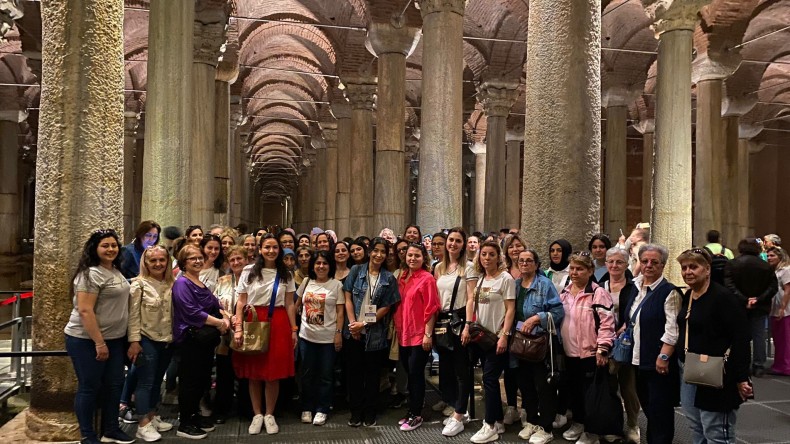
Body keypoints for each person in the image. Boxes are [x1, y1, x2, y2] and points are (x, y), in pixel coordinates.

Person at [64, 229, 135, 444]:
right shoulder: (89, 274)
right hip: (87, 340)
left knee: (114, 385)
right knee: (89, 386)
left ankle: (111, 428)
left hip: (114, 339)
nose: (111, 249)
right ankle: (87, 435)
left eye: (114, 245)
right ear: (95, 248)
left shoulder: (115, 270)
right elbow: (85, 310)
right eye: (105, 245)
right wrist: (99, 342)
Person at [676, 248, 752, 444]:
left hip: (719, 374)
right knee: (696, 427)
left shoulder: (724, 298)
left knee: (716, 432)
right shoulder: (689, 296)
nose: (688, 272)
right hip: (692, 370)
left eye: (694, 267)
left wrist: (742, 377)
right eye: (684, 268)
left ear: (707, 269)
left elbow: (741, 337)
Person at [232, 234, 297, 435]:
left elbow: (289, 303)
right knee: (254, 371)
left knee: (273, 372)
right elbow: (241, 301)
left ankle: (270, 414)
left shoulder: (286, 273)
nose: (271, 251)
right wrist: (239, 327)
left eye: (275, 247)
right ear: (260, 249)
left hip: (277, 321)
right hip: (252, 319)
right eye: (267, 247)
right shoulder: (249, 271)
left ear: (279, 249)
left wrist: (294, 329)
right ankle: (257, 414)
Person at [622, 244, 681, 444]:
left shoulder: (669, 292)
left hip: (658, 361)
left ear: (662, 265)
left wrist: (663, 357)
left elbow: (672, 330)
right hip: (637, 358)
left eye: (654, 262)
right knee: (648, 407)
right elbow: (632, 318)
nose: (648, 265)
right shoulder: (636, 286)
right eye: (645, 261)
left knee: (660, 410)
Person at [171, 244, 230, 439]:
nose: (197, 261)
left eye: (199, 257)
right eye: (192, 258)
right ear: (183, 263)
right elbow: (192, 312)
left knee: (201, 380)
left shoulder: (199, 281)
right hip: (190, 340)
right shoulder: (182, 283)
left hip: (204, 342)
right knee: (189, 382)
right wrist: (220, 323)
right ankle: (185, 422)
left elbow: (216, 304)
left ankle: (195, 416)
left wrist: (226, 315)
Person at [461, 241, 516, 444]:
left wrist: (504, 335)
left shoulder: (506, 279)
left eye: (491, 254)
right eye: (483, 254)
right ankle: (499, 420)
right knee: (488, 380)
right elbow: (475, 305)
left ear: (498, 257)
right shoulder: (482, 278)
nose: (486, 258)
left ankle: (490, 424)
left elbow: (510, 309)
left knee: (490, 380)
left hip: (497, 337)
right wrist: (468, 326)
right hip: (482, 338)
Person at [559, 252, 615, 444]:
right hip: (569, 352)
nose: (575, 272)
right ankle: (579, 423)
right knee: (574, 391)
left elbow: (607, 323)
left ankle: (592, 432)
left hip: (590, 354)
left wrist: (603, 349)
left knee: (590, 395)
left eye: (580, 269)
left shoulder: (598, 293)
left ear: (590, 271)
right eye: (572, 268)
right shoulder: (564, 292)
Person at [344, 237, 401, 427]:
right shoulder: (356, 271)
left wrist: (364, 324)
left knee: (373, 375)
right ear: (369, 251)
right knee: (354, 374)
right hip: (353, 332)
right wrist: (353, 323)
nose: (379, 255)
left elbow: (386, 308)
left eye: (383, 252)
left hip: (375, 333)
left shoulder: (388, 278)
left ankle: (370, 411)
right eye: (376, 251)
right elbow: (347, 297)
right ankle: (355, 411)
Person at [513, 249, 564, 444]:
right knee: (525, 385)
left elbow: (558, 311)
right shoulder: (516, 285)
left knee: (544, 386)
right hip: (520, 343)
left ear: (536, 264)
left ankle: (546, 427)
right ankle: (532, 421)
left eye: (529, 261)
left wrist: (537, 318)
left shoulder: (544, 284)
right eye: (521, 261)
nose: (524, 264)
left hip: (540, 344)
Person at [125, 245, 175, 442]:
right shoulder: (139, 285)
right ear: (145, 262)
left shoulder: (172, 283)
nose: (158, 264)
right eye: (153, 260)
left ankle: (152, 415)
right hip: (146, 338)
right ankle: (142, 423)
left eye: (161, 260)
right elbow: (133, 316)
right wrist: (134, 341)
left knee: (156, 380)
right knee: (145, 381)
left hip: (167, 339)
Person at [435, 228, 479, 437]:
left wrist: (468, 325)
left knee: (462, 370)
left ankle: (460, 414)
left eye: (458, 241)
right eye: (450, 240)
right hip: (442, 322)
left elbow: (471, 297)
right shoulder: (439, 268)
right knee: (447, 368)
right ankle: (456, 407)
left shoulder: (469, 267)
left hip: (460, 321)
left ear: (463, 245)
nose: (453, 244)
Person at [296, 250, 345, 426]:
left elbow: (340, 312)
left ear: (330, 265)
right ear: (313, 266)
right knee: (307, 375)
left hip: (327, 340)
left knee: (326, 376)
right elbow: (296, 306)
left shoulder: (336, 285)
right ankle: (307, 407)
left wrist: (338, 334)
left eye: (325, 263)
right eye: (318, 263)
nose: (321, 266)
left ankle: (323, 408)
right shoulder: (306, 282)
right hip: (306, 337)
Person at [395, 242, 440, 431]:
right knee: (409, 372)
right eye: (410, 255)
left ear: (424, 258)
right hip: (403, 333)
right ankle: (411, 410)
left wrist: (428, 335)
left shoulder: (427, 278)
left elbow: (432, 308)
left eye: (417, 256)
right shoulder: (403, 277)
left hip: (419, 335)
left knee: (415, 374)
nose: (412, 258)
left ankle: (416, 414)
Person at [600, 247, 640, 443]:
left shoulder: (634, 287)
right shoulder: (599, 285)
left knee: (629, 387)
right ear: (606, 263)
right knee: (608, 387)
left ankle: (633, 424)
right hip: (604, 342)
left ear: (626, 265)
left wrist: (624, 326)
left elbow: (635, 312)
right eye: (611, 262)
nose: (614, 265)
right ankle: (613, 426)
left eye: (619, 262)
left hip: (625, 343)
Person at [724, 238, 778, 377]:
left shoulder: (733, 264)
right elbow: (773, 287)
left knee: (740, 336)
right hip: (760, 306)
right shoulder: (765, 266)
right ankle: (758, 365)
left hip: (739, 306)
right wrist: (758, 299)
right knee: (759, 336)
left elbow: (729, 285)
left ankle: (742, 364)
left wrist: (744, 299)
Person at [214, 246, 248, 424]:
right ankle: (222, 409)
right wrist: (229, 316)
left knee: (245, 372)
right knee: (224, 373)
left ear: (246, 260)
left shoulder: (253, 280)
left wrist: (240, 319)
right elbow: (215, 303)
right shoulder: (223, 280)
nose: (236, 262)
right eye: (232, 260)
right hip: (225, 333)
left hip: (247, 331)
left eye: (239, 259)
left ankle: (245, 408)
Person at [502, 233, 526, 424]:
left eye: (518, 245)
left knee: (523, 369)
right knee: (509, 369)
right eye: (511, 246)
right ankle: (511, 406)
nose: (515, 249)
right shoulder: (503, 271)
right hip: (504, 326)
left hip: (524, 326)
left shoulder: (531, 268)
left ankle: (527, 407)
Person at [767, 246, 790, 375]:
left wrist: (782, 307)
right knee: (778, 338)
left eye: (772, 255)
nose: (769, 258)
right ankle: (779, 364)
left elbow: (787, 289)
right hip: (775, 308)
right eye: (768, 255)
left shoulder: (786, 270)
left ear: (780, 256)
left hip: (785, 309)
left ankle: (785, 365)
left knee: (785, 338)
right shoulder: (775, 270)